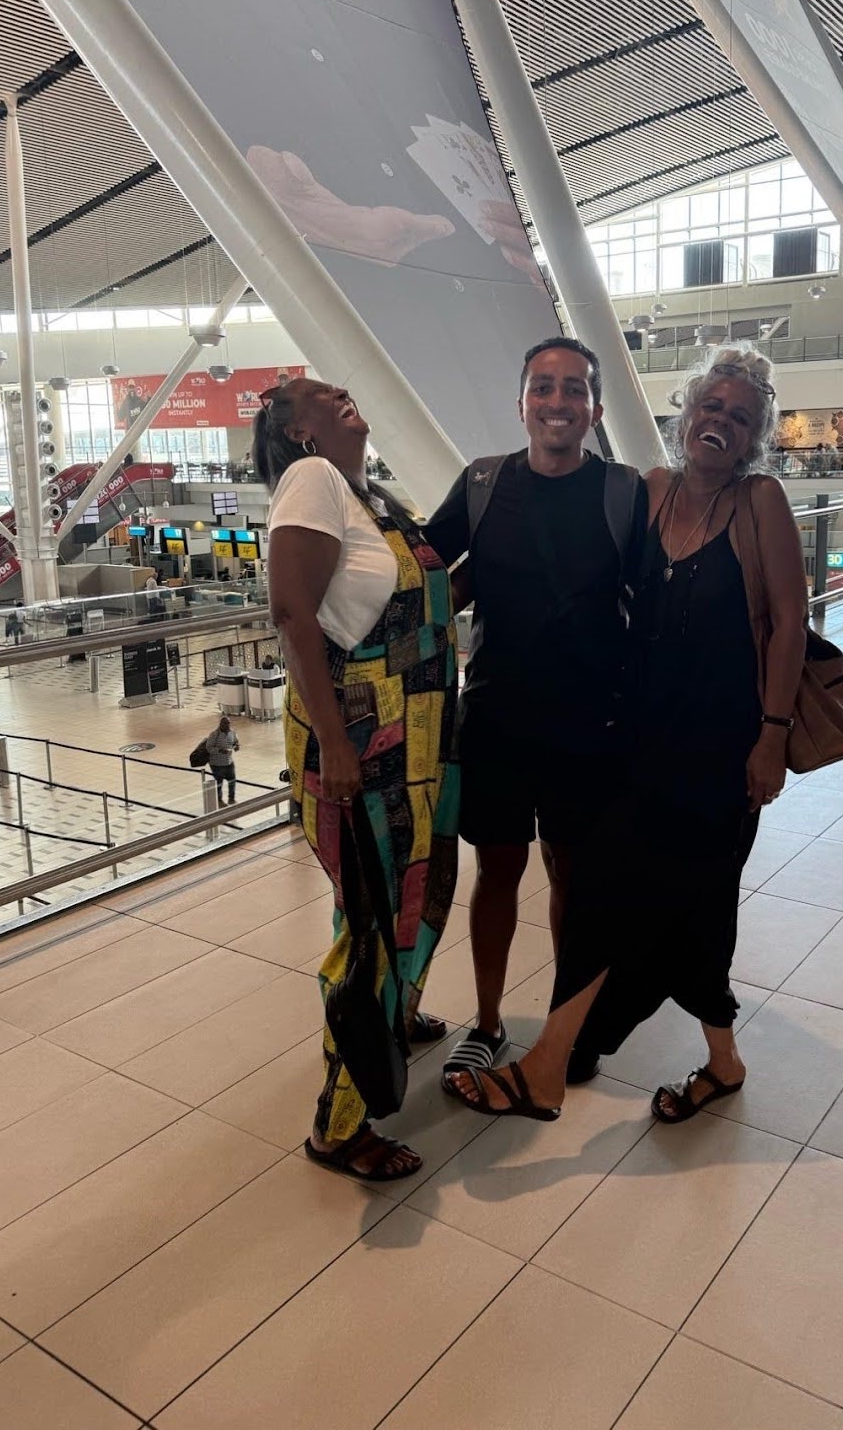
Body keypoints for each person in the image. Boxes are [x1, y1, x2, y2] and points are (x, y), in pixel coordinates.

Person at [446, 347, 808, 1126]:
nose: (720, 422)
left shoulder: (760, 501)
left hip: (721, 748)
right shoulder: (652, 492)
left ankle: (569, 1064)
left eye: (740, 417)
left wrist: (772, 737)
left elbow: (789, 625)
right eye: (711, 406)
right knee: (611, 894)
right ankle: (630, 1059)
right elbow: (575, 560)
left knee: (696, 905)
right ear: (687, 413)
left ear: (754, 437)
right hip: (638, 737)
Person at [424, 338, 646, 1094]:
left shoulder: (622, 492)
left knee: (572, 877)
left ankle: (564, 1028)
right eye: (544, 388)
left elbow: (654, 600)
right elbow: (424, 572)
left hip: (591, 725)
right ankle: (487, 1024)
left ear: (596, 409)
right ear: (521, 403)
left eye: (574, 389)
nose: (558, 402)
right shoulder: (484, 484)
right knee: (497, 872)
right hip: (498, 719)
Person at [258, 376, 459, 1182]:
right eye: (320, 394)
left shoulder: (367, 496)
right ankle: (339, 1125)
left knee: (419, 886)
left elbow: (408, 607)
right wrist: (337, 746)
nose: (341, 392)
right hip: (362, 738)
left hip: (415, 735)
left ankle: (394, 1015)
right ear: (298, 431)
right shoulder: (311, 480)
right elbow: (291, 613)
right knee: (374, 916)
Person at [203, 714, 240, 804]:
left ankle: (231, 799)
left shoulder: (232, 733)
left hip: (229, 762)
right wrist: (221, 750)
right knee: (219, 782)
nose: (227, 725)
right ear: (220, 724)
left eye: (228, 723)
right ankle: (219, 800)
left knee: (232, 781)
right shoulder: (214, 734)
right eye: (225, 723)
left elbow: (236, 742)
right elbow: (209, 748)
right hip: (217, 764)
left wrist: (236, 746)